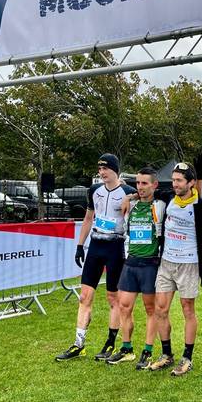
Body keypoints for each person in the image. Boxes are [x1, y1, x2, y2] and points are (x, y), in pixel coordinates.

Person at [126, 159, 202, 376]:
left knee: (187, 310)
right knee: (160, 309)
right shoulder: (167, 198)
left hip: (189, 263)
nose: (175, 184)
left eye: (179, 180)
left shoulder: (201, 206)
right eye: (173, 180)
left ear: (191, 182)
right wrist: (130, 197)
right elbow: (145, 193)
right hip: (166, 262)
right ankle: (166, 354)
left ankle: (187, 357)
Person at [55, 153, 135, 362]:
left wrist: (131, 197)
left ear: (115, 170)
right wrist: (79, 246)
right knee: (84, 296)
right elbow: (88, 218)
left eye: (105, 168)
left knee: (113, 298)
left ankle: (110, 342)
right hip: (96, 246)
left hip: (116, 247)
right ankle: (78, 344)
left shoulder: (128, 192)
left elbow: (147, 196)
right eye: (99, 169)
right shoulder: (94, 190)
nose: (101, 173)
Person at [106, 167, 166, 369]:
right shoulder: (131, 205)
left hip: (150, 263)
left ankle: (147, 351)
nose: (140, 187)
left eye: (144, 183)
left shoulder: (161, 205)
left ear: (154, 185)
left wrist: (130, 195)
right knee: (124, 306)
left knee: (151, 309)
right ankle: (126, 348)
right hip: (131, 262)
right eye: (138, 183)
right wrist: (129, 197)